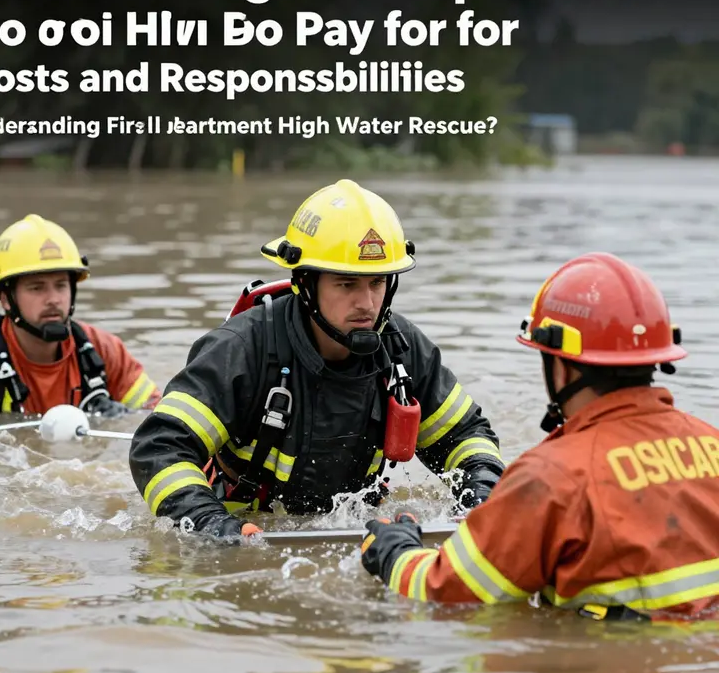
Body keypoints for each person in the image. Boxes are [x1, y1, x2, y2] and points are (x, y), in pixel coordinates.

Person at [129, 179, 505, 539]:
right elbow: (160, 447)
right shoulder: (242, 350)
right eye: (347, 284)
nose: (367, 303)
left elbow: (467, 437)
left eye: (377, 283)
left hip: (355, 522)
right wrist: (210, 523)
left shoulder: (403, 350)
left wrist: (480, 500)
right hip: (247, 524)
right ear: (305, 283)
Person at [360, 252, 719, 621]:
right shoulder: (713, 444)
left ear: (560, 367)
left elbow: (444, 591)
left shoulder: (551, 478)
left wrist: (394, 551)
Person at [0, 214, 161, 431]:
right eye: (37, 288)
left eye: (61, 285)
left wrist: (123, 418)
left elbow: (159, 414)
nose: (53, 299)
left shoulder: (104, 350)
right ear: (5, 298)